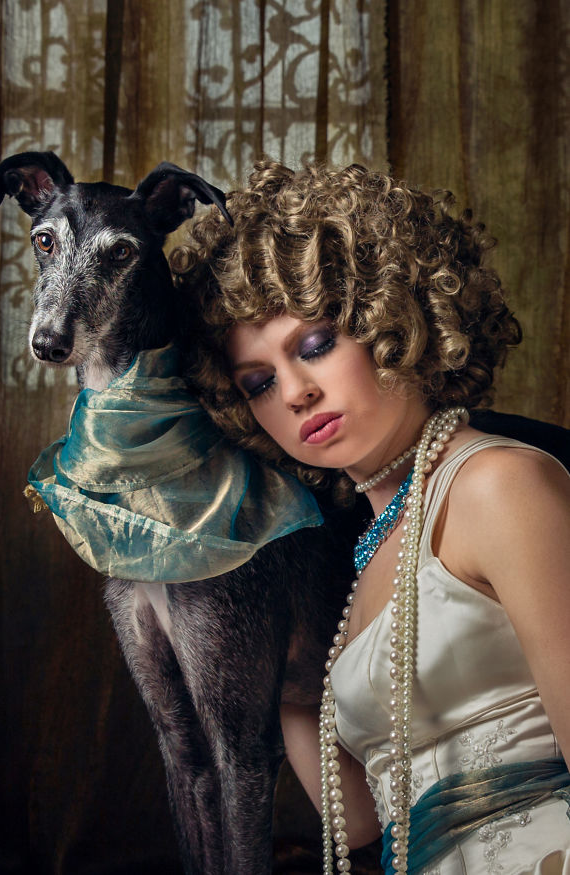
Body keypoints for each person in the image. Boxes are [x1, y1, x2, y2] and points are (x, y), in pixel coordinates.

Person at [170, 161, 570, 874]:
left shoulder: (497, 485)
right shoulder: (360, 556)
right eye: (257, 383)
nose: (293, 393)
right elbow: (357, 820)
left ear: (390, 317)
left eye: (316, 344)